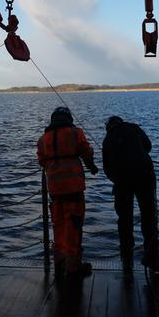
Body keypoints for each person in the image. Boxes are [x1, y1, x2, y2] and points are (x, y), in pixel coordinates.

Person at [37, 106, 98, 281]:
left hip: (54, 189)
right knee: (74, 225)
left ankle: (59, 263)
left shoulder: (42, 139)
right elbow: (86, 152)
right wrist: (92, 166)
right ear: (68, 118)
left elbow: (41, 161)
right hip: (73, 188)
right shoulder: (75, 132)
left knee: (58, 224)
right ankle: (73, 267)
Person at [102, 115, 159, 276]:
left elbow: (107, 168)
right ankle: (152, 259)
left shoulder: (107, 138)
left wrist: (117, 179)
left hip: (122, 183)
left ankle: (127, 258)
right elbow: (148, 146)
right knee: (149, 218)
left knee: (124, 220)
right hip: (145, 178)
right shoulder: (134, 128)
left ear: (108, 126)